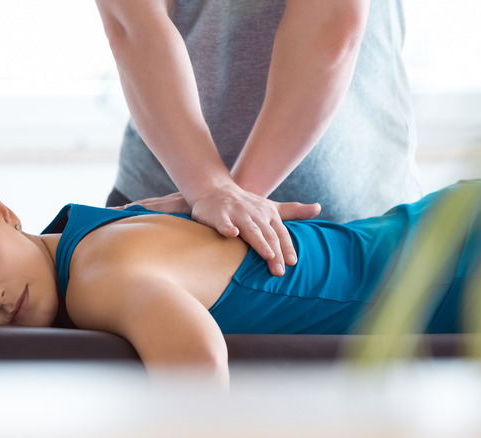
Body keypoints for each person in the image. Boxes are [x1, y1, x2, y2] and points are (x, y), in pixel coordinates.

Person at [0, 178, 481, 387]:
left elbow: (197, 369)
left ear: (0, 211)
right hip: (478, 224)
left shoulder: (99, 273)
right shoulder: (96, 227)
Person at [94, 0, 422, 276]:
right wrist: (213, 194)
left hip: (350, 223)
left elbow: (329, 29)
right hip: (164, 208)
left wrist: (227, 202)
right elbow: (134, 28)